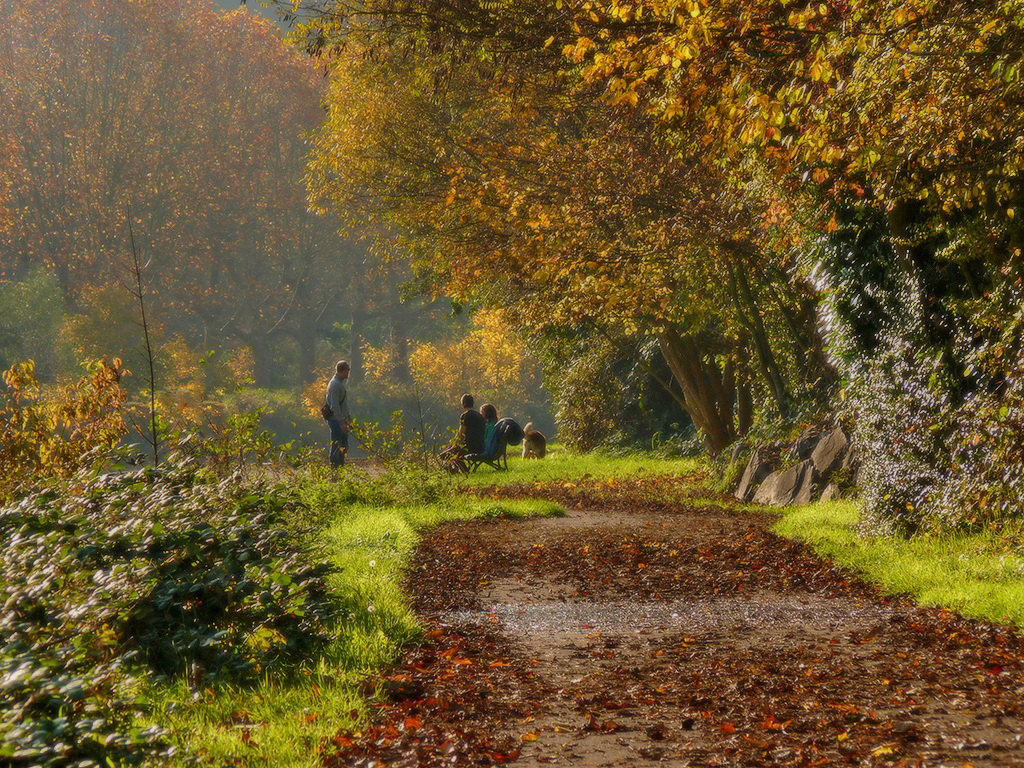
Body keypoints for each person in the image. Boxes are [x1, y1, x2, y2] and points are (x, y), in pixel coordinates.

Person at [440, 393, 485, 472]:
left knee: (443, 455)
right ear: (472, 403)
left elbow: (460, 435)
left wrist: (453, 446)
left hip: (471, 447)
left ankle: (463, 472)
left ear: (463, 404)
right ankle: (460, 471)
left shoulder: (465, 416)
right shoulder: (479, 416)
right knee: (453, 451)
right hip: (480, 446)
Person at [324, 360, 351, 468]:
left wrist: (348, 420)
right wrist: (341, 423)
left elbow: (343, 405)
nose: (348, 374)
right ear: (343, 371)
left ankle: (340, 468)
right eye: (347, 371)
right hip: (336, 421)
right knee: (337, 444)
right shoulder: (335, 385)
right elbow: (334, 405)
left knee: (342, 445)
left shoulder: (338, 383)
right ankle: (335, 469)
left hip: (340, 420)